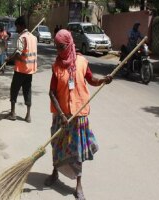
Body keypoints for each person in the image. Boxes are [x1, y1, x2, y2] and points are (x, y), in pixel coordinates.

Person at [45, 29, 112, 200]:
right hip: (62, 117)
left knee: (78, 151)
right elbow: (52, 93)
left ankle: (79, 185)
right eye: (56, 47)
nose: (58, 51)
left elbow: (91, 80)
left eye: (61, 47)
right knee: (57, 146)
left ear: (68, 45)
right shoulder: (56, 65)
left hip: (78, 115)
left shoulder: (82, 61)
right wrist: (61, 114)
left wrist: (103, 80)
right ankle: (55, 173)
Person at [5, 16, 37, 123]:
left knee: (14, 89)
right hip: (29, 71)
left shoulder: (22, 38)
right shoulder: (33, 37)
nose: (16, 29)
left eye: (17, 26)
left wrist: (9, 58)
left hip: (20, 70)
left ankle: (13, 113)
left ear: (21, 26)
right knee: (27, 91)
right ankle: (28, 116)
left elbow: (18, 54)